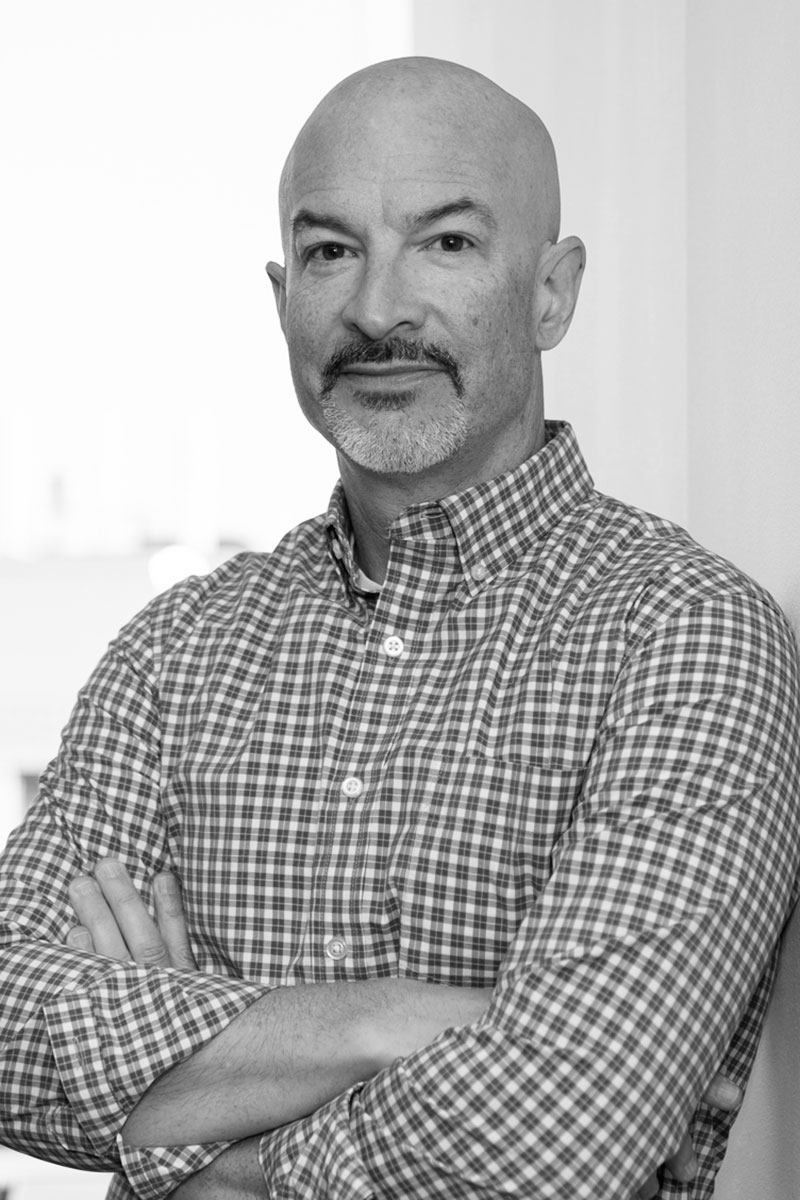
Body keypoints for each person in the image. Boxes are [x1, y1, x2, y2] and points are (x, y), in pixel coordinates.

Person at [0, 55, 798, 1200]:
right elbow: (8, 1037)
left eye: (446, 243)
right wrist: (396, 1019)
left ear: (551, 293)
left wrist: (199, 1153)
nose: (377, 310)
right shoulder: (174, 652)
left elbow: (556, 1139)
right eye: (331, 251)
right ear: (280, 296)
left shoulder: (686, 637)